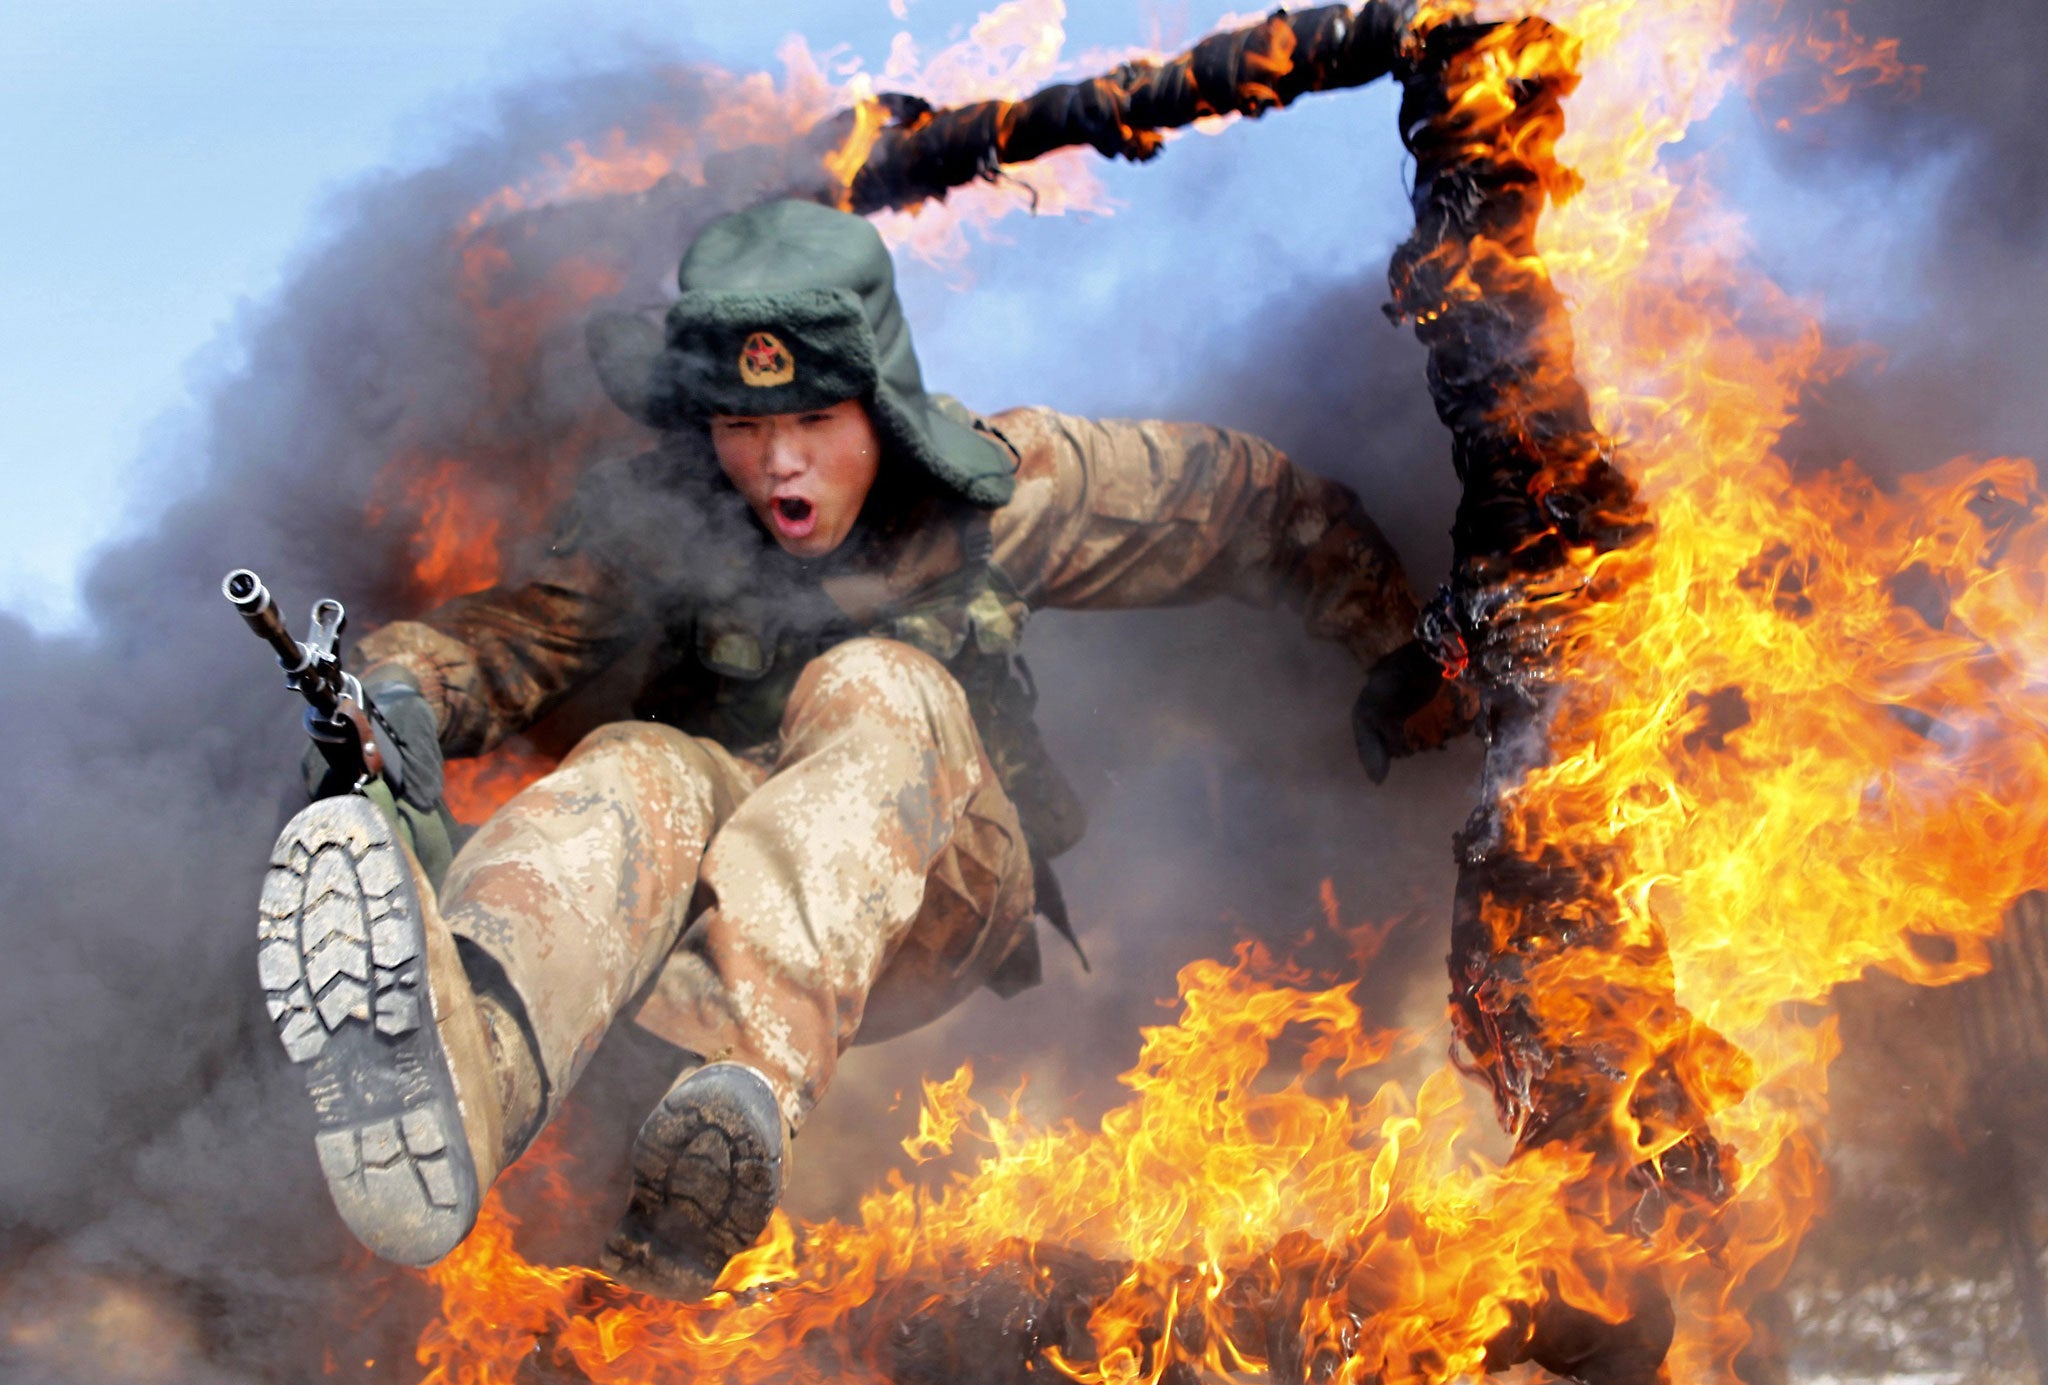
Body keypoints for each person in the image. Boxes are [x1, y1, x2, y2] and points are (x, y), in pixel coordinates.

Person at [257, 198, 1443, 1300]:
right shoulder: (661, 522)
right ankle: (471, 1082)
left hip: (936, 891)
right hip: (709, 908)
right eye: (740, 426)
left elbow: (1245, 502)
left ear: (876, 406)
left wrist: (1397, 646)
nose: (776, 464)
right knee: (629, 764)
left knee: (878, 683)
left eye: (814, 422)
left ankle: (735, 1116)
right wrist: (393, 692)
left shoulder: (999, 486)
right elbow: (513, 642)